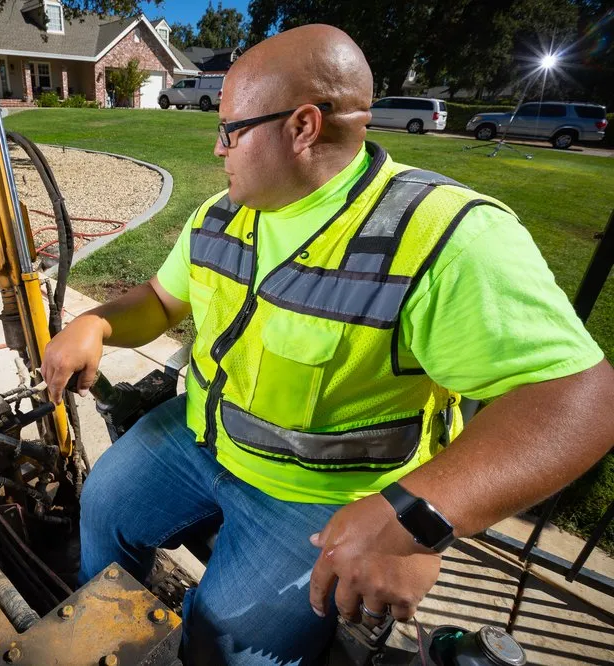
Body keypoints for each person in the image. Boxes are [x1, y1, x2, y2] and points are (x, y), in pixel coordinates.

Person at [41, 24, 614, 665]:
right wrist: (98, 324)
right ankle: (97, 634)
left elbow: (580, 399)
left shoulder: (444, 238)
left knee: (222, 643)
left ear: (303, 126)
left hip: (321, 499)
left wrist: (416, 521)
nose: (215, 147)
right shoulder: (224, 214)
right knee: (102, 506)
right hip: (198, 438)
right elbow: (160, 299)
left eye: (230, 129)